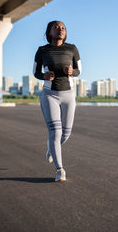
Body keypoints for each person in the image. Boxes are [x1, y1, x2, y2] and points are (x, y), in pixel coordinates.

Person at [33, 21, 81, 182]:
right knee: (55, 132)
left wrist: (72, 71)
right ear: (49, 32)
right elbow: (35, 72)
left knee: (66, 134)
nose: (60, 30)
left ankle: (51, 147)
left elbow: (79, 70)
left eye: (63, 28)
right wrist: (44, 76)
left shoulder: (72, 48)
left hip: (68, 94)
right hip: (49, 95)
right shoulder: (42, 50)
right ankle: (60, 170)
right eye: (56, 28)